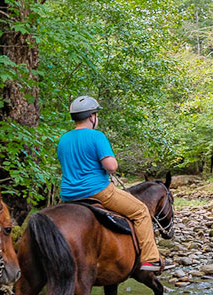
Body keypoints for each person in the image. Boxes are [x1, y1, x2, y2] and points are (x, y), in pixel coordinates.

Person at [58, 96, 163, 272]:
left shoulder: (63, 139)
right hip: (98, 191)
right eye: (96, 115)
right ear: (92, 116)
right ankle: (151, 259)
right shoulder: (97, 137)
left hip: (68, 196)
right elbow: (111, 166)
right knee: (141, 211)